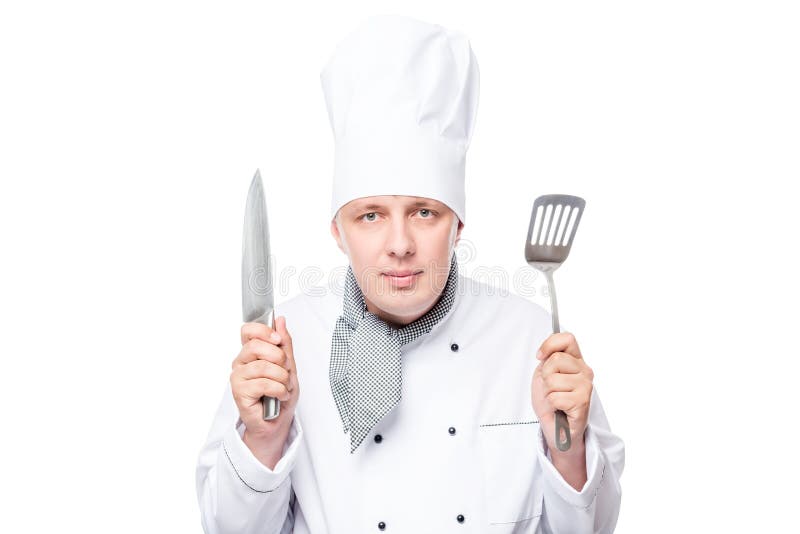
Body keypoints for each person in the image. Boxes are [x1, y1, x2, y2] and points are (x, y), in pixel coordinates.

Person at [196, 14, 624, 533]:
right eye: (370, 216)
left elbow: (593, 529)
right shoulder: (281, 348)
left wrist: (571, 450)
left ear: (458, 224)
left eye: (424, 211)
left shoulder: (534, 340)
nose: (399, 245)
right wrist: (263, 439)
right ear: (338, 231)